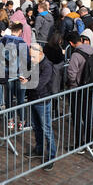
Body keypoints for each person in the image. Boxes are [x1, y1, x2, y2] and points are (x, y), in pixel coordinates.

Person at [20, 43, 56, 171]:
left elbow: (40, 84)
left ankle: (51, 156)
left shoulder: (47, 66)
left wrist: (27, 81)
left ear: (40, 54)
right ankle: (39, 149)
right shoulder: (35, 63)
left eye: (33, 57)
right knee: (36, 127)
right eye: (31, 57)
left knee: (46, 129)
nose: (32, 60)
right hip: (33, 98)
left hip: (42, 99)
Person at [65, 31, 93, 154]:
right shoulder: (92, 50)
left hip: (78, 89)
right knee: (88, 114)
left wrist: (73, 84)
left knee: (77, 116)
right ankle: (89, 141)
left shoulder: (76, 54)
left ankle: (79, 143)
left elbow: (71, 73)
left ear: (71, 43)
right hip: (90, 86)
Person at [0, 22, 30, 130]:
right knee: (20, 99)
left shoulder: (3, 40)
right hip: (19, 74)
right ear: (20, 31)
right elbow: (26, 60)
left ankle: (10, 121)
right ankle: (22, 122)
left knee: (8, 98)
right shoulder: (22, 43)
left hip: (7, 73)